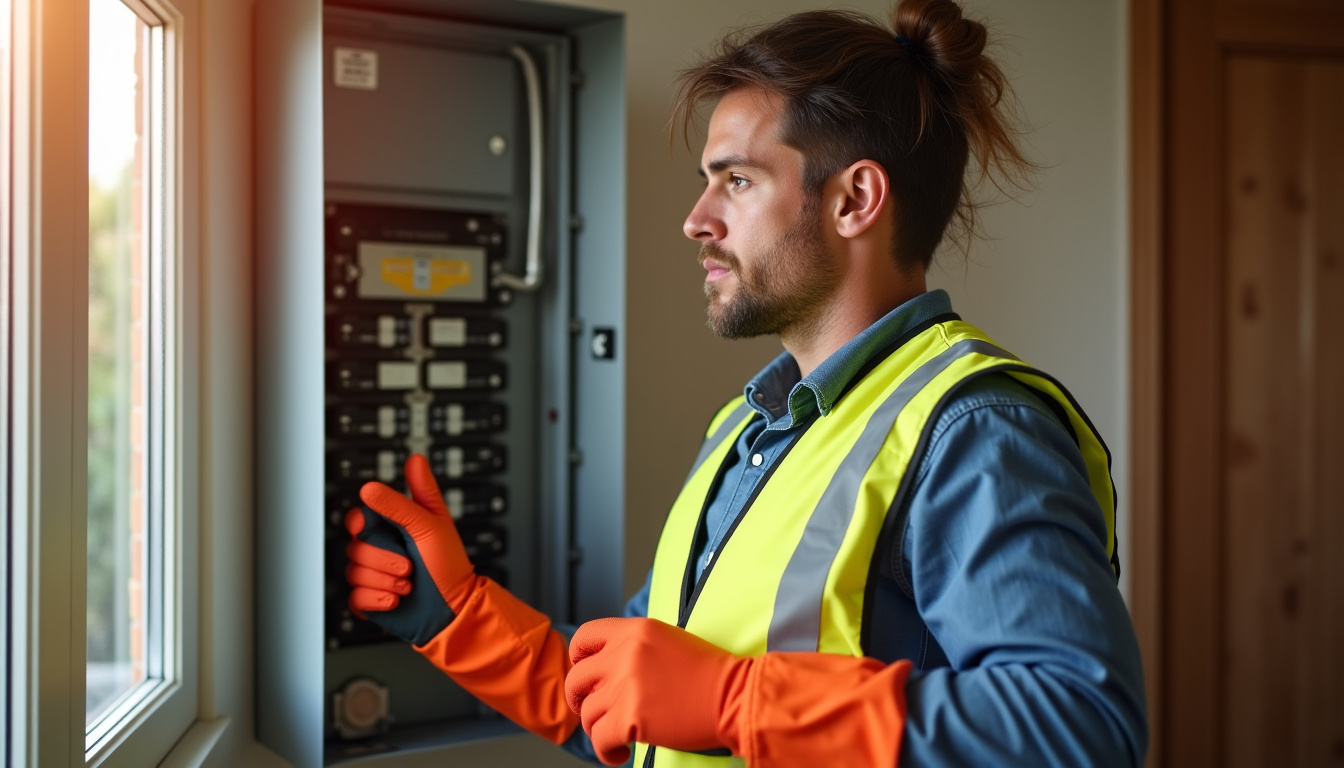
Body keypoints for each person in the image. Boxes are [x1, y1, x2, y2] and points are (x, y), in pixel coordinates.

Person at [344, 0, 1149, 765]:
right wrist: (459, 615)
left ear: (854, 200)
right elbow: (629, 704)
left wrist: (735, 700)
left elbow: (1079, 729)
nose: (697, 219)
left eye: (736, 180)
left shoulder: (974, 431)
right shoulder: (751, 429)